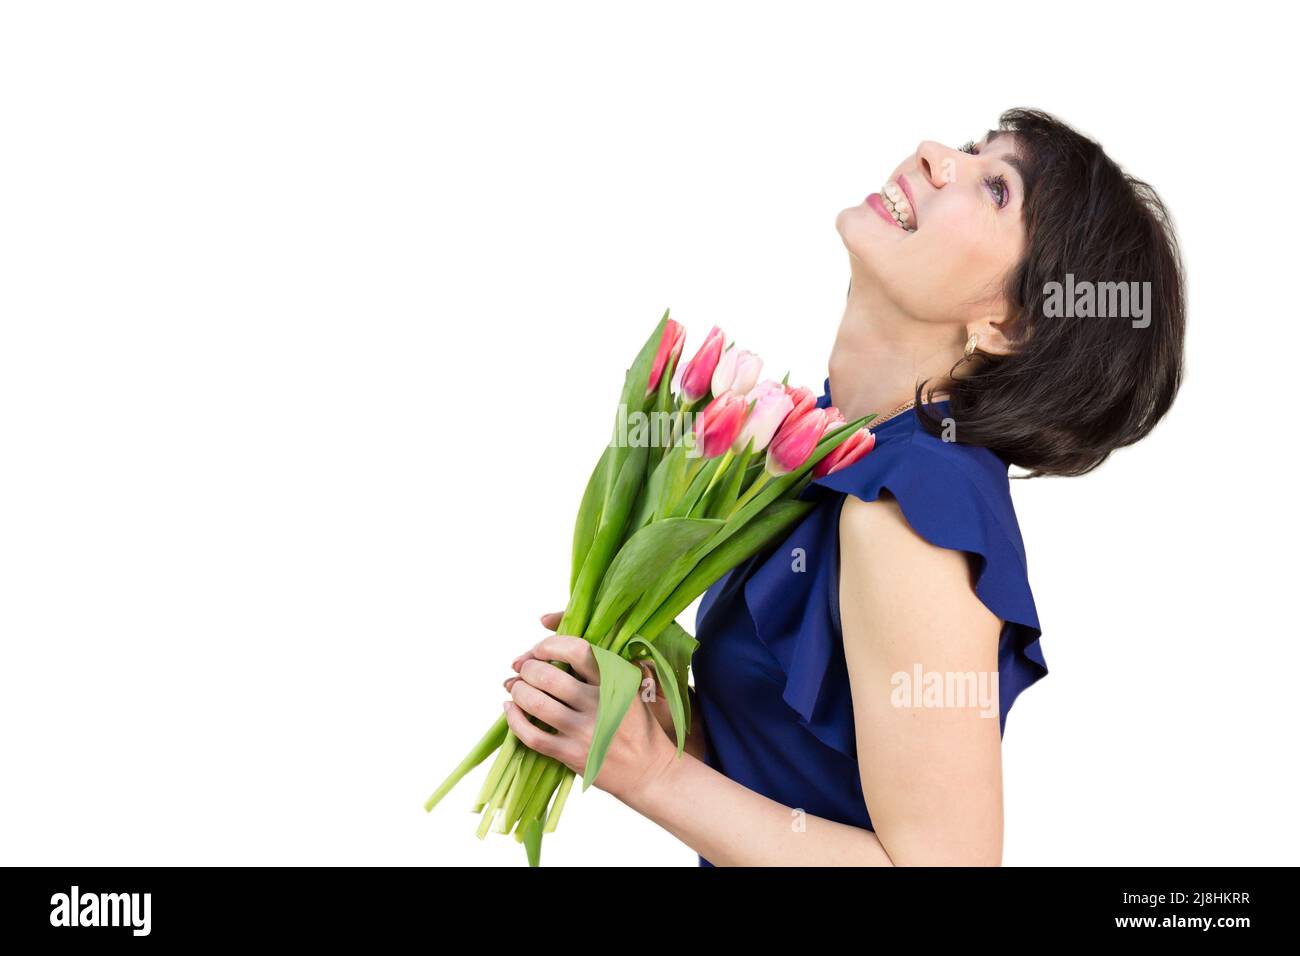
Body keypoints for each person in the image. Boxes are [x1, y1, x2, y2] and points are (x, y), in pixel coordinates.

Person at [501, 108, 1186, 865]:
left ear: (1009, 326)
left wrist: (653, 774)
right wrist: (665, 725)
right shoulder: (835, 449)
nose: (933, 154)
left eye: (997, 190)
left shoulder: (910, 510)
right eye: (968, 149)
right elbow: (798, 788)